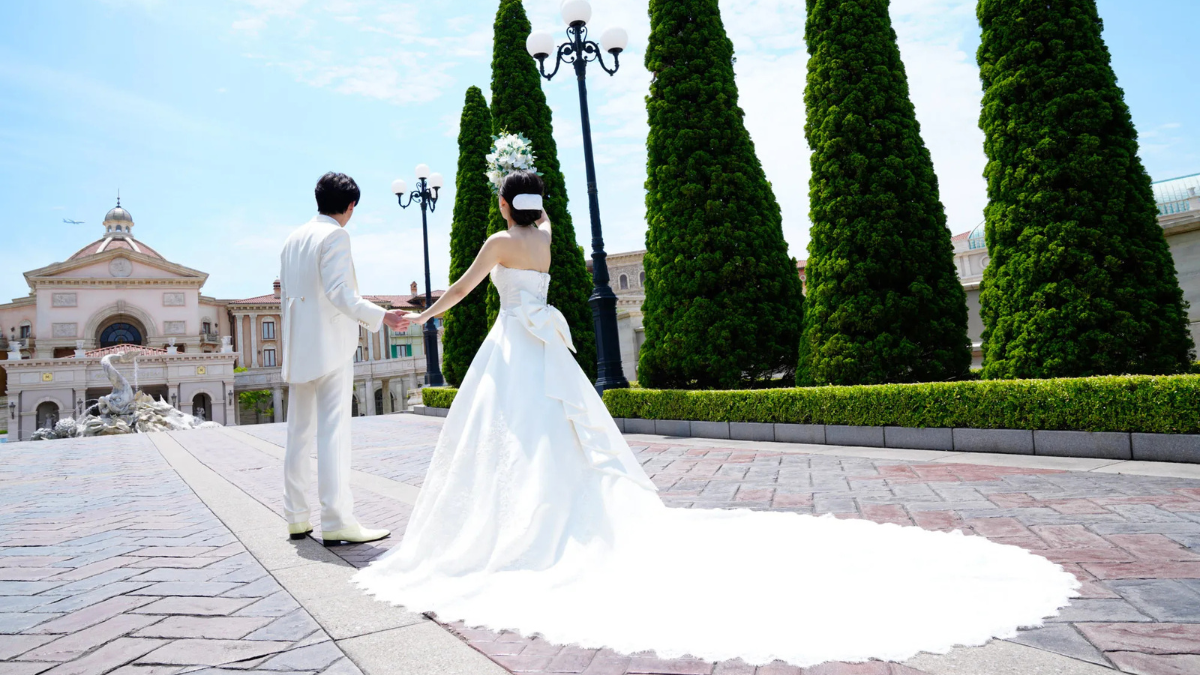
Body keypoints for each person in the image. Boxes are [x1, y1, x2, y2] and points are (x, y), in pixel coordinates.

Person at [353, 171, 1078, 667]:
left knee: (507, 444)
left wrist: (415, 311)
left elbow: (458, 293)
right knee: (563, 438)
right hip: (546, 348)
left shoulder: (499, 242)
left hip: (515, 348)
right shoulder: (543, 241)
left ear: (505, 206)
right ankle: (563, 523)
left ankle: (518, 535)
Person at [279, 172, 407, 545]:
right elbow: (339, 293)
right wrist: (381, 315)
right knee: (333, 433)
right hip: (330, 346)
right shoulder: (336, 235)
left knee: (298, 434)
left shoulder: (292, 239)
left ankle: (296, 517)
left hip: (297, 345)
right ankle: (336, 521)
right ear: (351, 206)